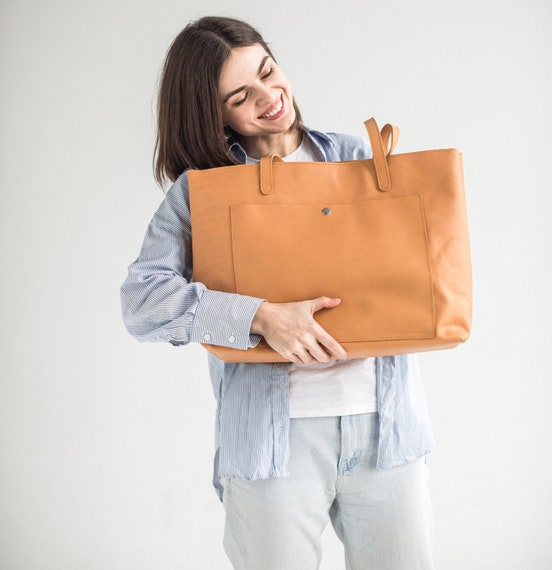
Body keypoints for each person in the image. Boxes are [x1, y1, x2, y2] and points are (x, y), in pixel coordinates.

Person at [121, 16, 435, 570]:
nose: (270, 99)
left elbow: (419, 268)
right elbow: (143, 301)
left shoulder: (359, 157)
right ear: (211, 114)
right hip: (273, 448)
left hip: (388, 433)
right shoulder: (206, 192)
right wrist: (260, 316)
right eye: (241, 95)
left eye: (269, 71)